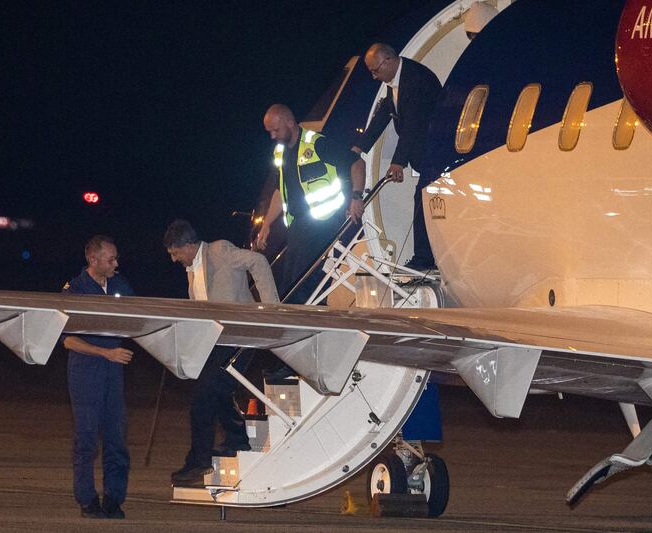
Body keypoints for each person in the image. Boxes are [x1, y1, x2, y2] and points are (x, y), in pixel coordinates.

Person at [163, 219, 279, 485]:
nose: (173, 259)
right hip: (216, 342)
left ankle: (199, 461)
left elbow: (258, 263)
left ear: (189, 245)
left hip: (240, 337)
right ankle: (238, 438)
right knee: (216, 392)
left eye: (175, 252)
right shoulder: (191, 269)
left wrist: (271, 309)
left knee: (203, 398)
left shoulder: (219, 251)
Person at [257, 103, 366, 303]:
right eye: (269, 132)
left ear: (289, 123)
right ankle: (305, 321)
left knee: (303, 282)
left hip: (324, 223)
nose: (272, 136)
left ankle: (308, 322)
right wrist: (266, 223)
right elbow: (281, 191)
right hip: (299, 227)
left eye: (275, 130)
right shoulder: (281, 153)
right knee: (291, 283)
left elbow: (357, 163)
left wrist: (356, 197)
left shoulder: (317, 144)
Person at [62, 235, 135, 519]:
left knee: (117, 440)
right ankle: (86, 500)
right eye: (110, 259)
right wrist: (105, 353)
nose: (116, 264)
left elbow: (140, 316)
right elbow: (67, 340)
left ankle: (114, 499)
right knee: (87, 440)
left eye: (116, 258)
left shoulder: (120, 285)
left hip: (114, 374)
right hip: (85, 374)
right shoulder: (75, 290)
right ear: (93, 260)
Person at [352, 43, 442, 271]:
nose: (373, 76)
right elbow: (384, 115)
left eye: (375, 70)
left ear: (389, 60)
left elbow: (413, 124)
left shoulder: (416, 79)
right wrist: (359, 148)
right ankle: (426, 257)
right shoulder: (394, 81)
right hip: (424, 155)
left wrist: (397, 162)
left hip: (436, 152)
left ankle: (424, 259)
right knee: (423, 199)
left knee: (421, 200)